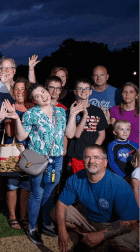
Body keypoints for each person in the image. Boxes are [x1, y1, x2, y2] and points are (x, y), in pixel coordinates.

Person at [6, 83, 85, 246]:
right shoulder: (31, 114)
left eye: (43, 92)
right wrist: (16, 119)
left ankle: (46, 223)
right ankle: (33, 227)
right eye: (37, 96)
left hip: (56, 159)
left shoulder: (61, 111)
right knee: (37, 194)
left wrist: (73, 115)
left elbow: (69, 134)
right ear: (33, 100)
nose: (43, 96)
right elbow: (21, 137)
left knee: (49, 194)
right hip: (37, 159)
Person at [54, 144, 139, 252]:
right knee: (56, 212)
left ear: (105, 162)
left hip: (113, 224)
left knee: (124, 248)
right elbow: (61, 204)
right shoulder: (75, 178)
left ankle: (101, 241)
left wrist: (101, 235)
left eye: (96, 158)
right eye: (87, 157)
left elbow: (131, 222)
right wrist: (62, 231)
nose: (91, 161)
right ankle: (85, 236)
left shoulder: (119, 185)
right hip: (89, 220)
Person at [3, 77, 33, 231]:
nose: (20, 92)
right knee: (12, 185)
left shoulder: (33, 107)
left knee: (26, 186)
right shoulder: (9, 106)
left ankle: (24, 217)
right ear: (13, 91)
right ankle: (12, 216)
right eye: (17, 89)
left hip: (30, 151)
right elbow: (9, 133)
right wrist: (12, 115)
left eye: (23, 89)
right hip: (13, 151)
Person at [67, 78, 108, 173]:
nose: (83, 91)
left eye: (86, 89)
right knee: (79, 182)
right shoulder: (71, 110)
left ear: (90, 92)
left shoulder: (97, 111)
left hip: (93, 155)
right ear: (75, 91)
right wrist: (84, 115)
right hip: (77, 154)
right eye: (80, 89)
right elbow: (75, 135)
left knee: (93, 179)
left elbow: (102, 134)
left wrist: (93, 151)